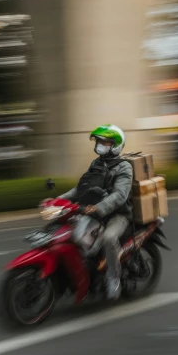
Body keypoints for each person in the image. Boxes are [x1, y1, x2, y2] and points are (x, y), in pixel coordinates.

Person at [56, 125, 133, 300]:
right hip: (92, 212)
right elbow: (81, 188)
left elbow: (120, 196)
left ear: (115, 145)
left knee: (108, 238)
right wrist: (58, 200)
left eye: (105, 141)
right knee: (70, 234)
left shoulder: (124, 167)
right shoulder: (96, 163)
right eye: (99, 141)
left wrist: (99, 208)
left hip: (117, 215)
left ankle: (113, 278)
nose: (100, 144)